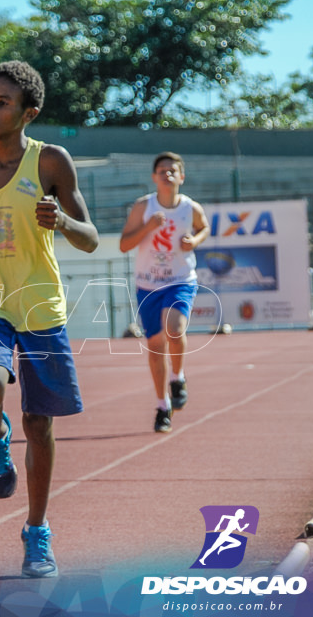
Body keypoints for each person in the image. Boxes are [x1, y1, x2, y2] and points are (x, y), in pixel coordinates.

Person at [0, 60, 99, 578]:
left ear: (29, 112)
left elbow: (90, 237)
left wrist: (64, 220)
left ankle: (36, 530)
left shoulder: (50, 161)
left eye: (1, 102)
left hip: (38, 304)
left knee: (39, 421)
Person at [119, 152, 209, 433]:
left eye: (173, 170)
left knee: (174, 329)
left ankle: (178, 377)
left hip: (180, 280)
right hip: (148, 283)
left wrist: (193, 240)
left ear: (181, 177)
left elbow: (204, 227)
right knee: (156, 345)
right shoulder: (142, 207)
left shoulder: (189, 207)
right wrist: (148, 227)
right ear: (154, 177)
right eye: (162, 170)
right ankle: (162, 405)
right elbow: (124, 244)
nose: (167, 174)